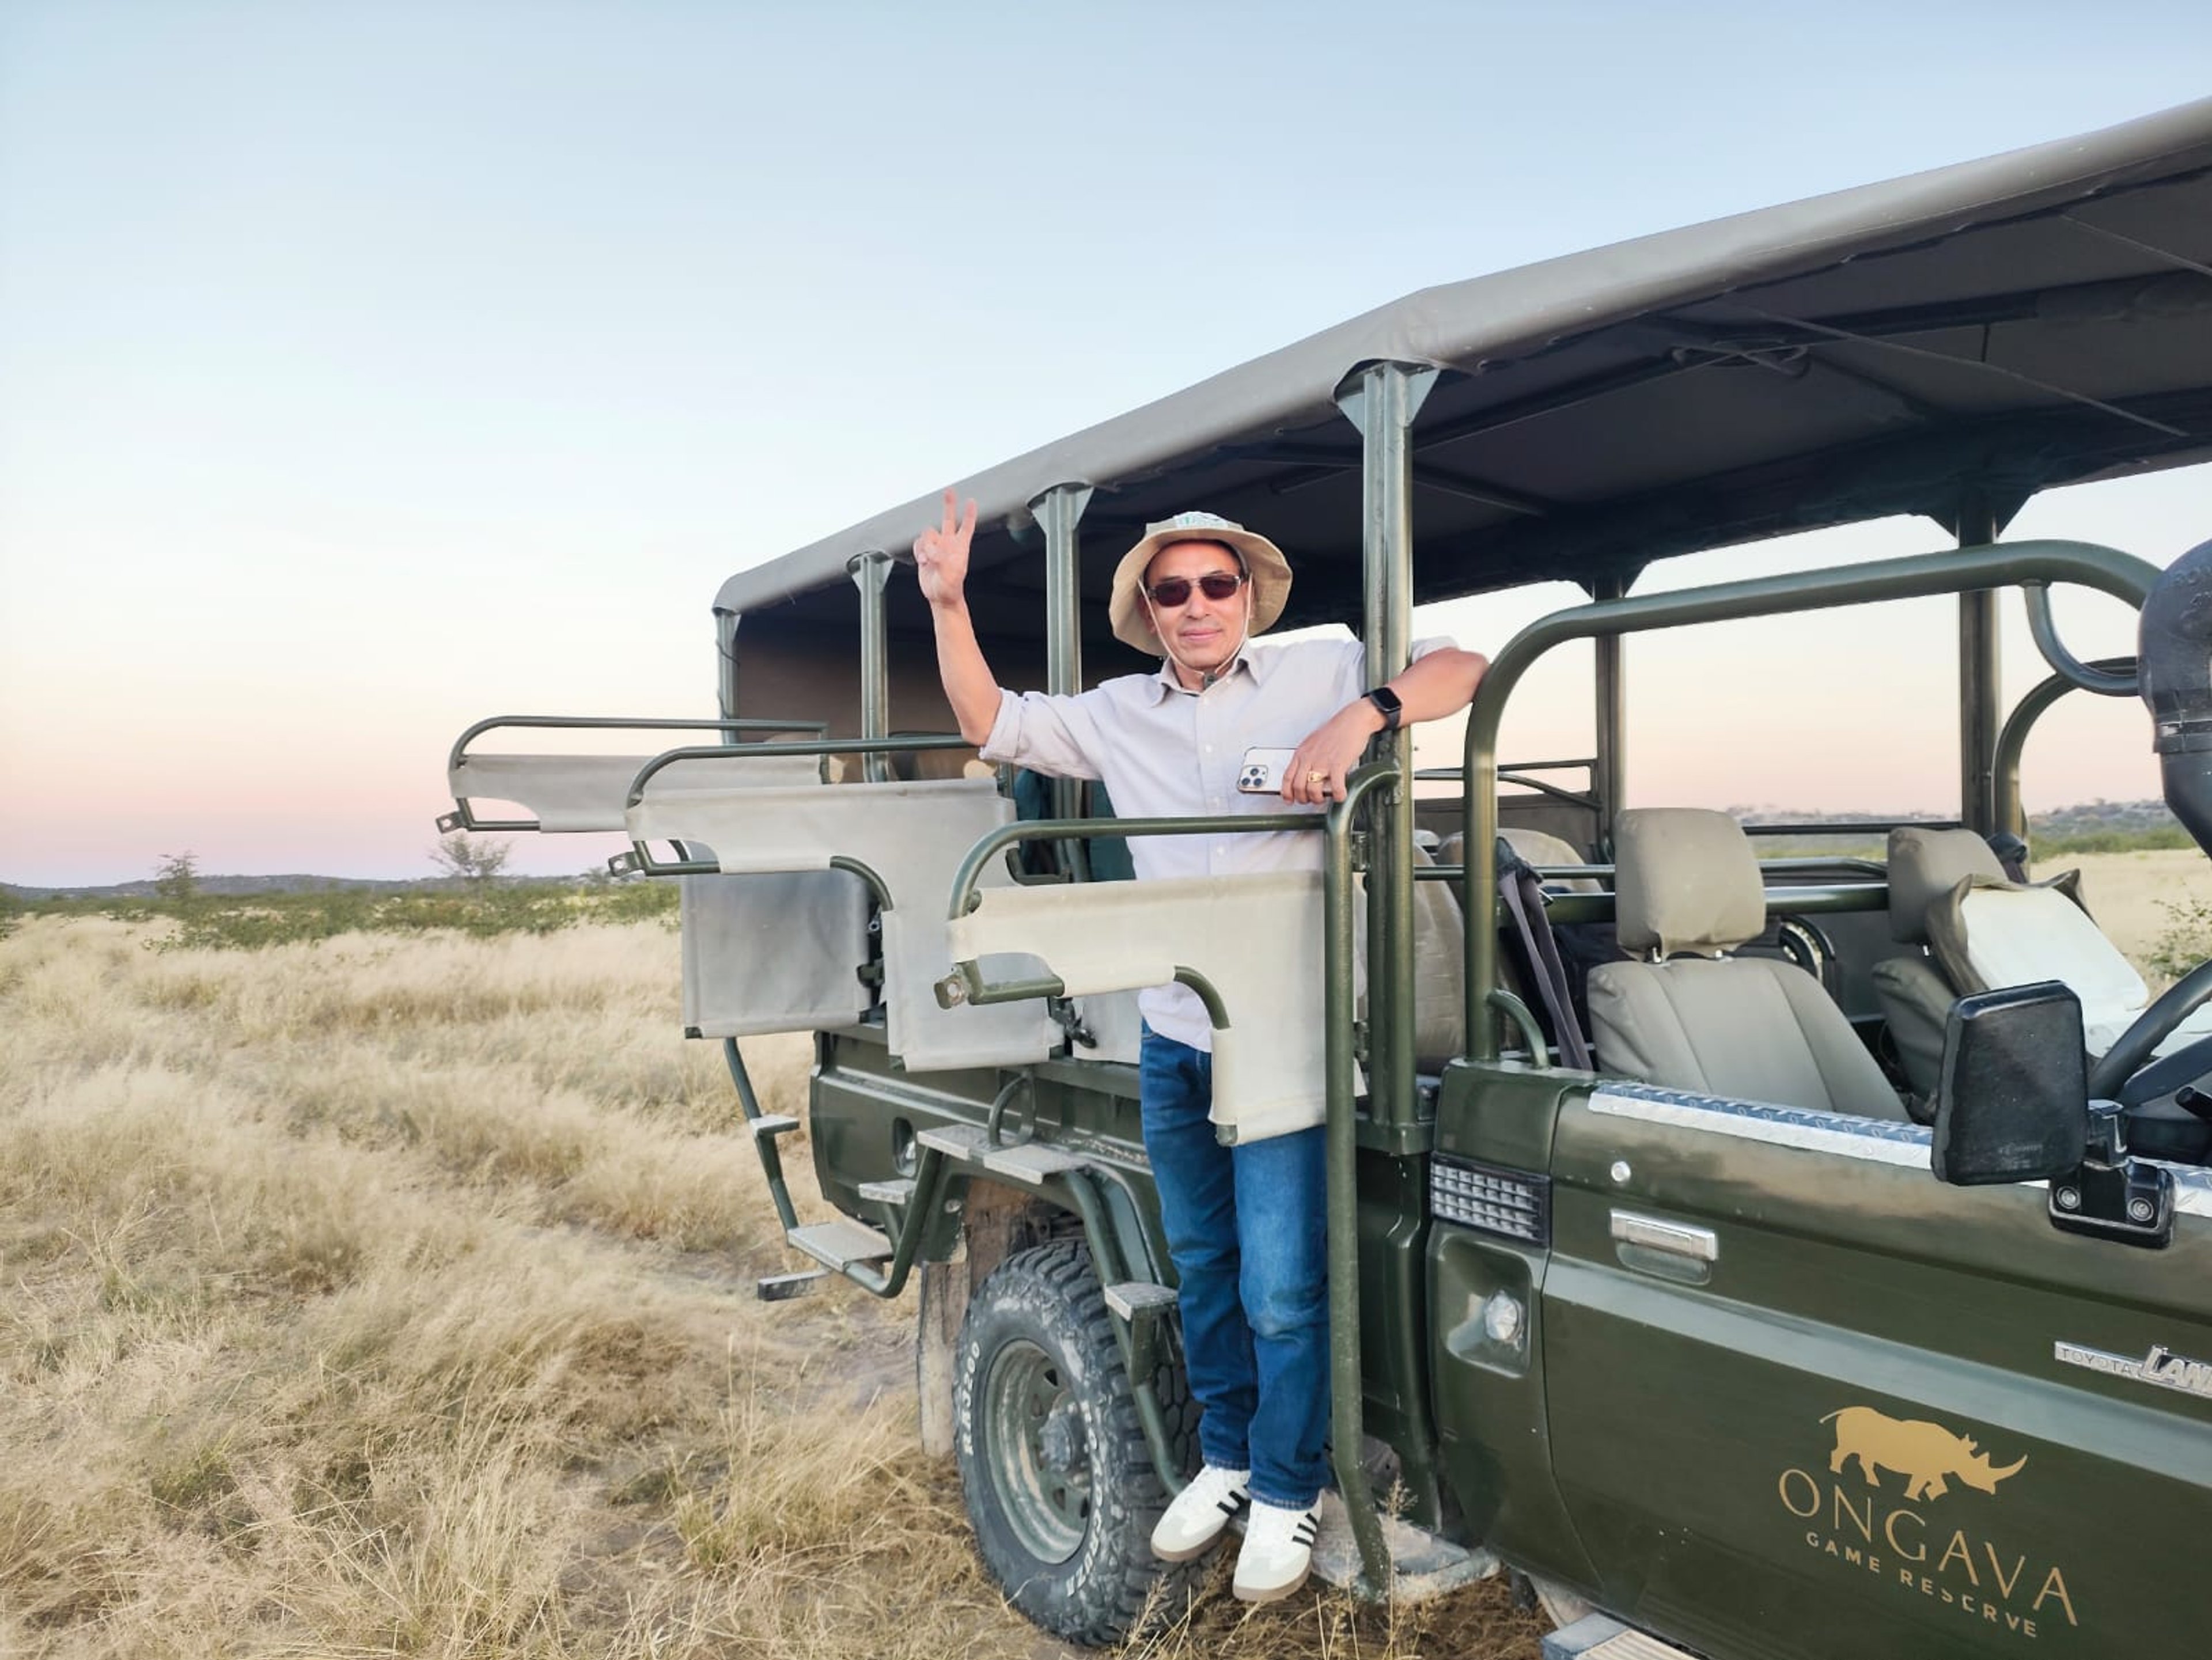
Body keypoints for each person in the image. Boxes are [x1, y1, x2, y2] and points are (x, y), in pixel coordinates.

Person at [913, 491, 1486, 1602]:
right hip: (1177, 1031)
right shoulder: (1121, 711)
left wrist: (1363, 716)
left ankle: (1287, 1487)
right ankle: (1228, 1457)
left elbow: (1462, 668)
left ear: (1248, 596)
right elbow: (992, 720)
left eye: (1215, 583)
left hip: (1283, 1029)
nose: (1196, 604)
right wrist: (948, 602)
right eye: (1170, 589)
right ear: (1148, 609)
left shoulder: (1323, 663)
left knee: (1281, 1283)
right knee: (1205, 1268)